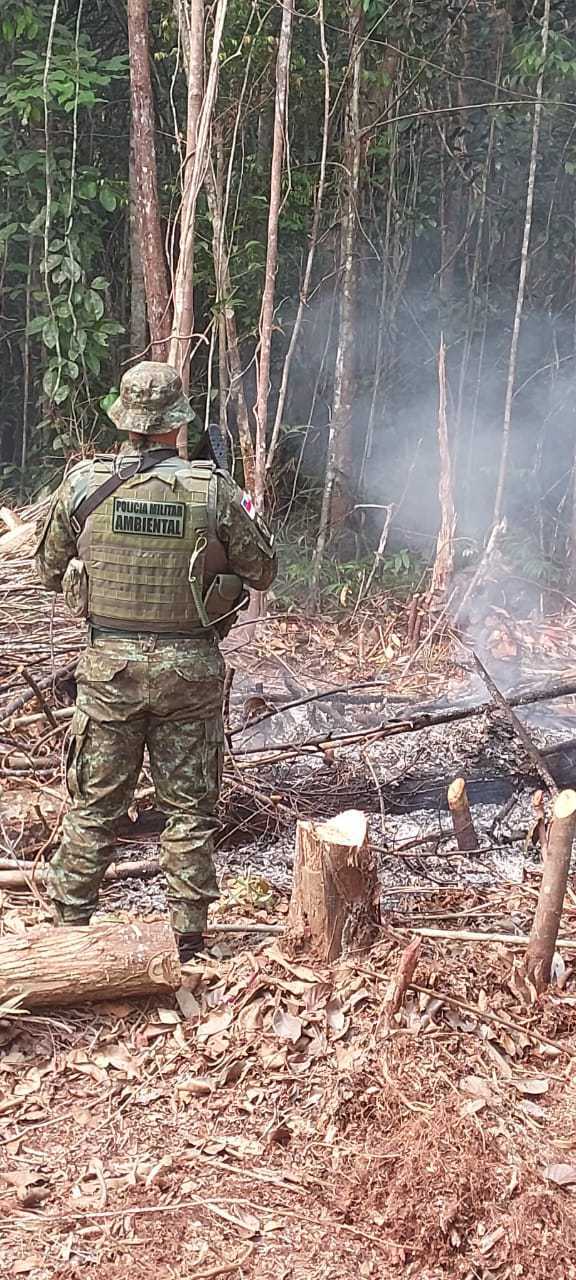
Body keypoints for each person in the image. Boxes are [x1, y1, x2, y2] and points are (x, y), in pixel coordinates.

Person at [35, 361, 276, 960]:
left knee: (94, 807)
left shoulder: (83, 484)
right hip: (189, 672)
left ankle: (67, 935)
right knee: (189, 811)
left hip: (108, 672)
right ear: (176, 423)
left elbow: (47, 569)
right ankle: (189, 941)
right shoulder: (211, 489)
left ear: (125, 420)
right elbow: (263, 570)